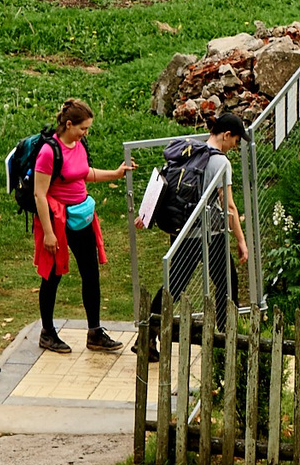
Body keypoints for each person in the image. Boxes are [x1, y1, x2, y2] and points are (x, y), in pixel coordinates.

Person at [33, 98, 136, 355]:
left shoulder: (78, 144)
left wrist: (114, 173)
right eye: (83, 128)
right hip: (58, 222)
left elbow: (83, 173)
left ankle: (95, 332)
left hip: (82, 219)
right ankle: (47, 332)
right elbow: (39, 194)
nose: (85, 133)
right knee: (53, 276)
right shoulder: (48, 152)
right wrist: (48, 232)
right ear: (69, 124)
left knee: (91, 273)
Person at [141, 113, 250, 338]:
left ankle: (147, 337)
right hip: (211, 234)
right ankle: (225, 336)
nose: (234, 146)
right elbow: (228, 206)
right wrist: (240, 240)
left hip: (183, 231)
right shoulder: (221, 162)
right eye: (236, 141)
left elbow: (165, 185)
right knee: (227, 283)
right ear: (227, 135)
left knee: (174, 286)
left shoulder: (189, 152)